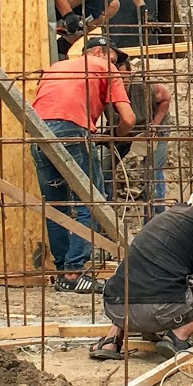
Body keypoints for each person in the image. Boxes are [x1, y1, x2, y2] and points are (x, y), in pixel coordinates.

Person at [31, 36, 135, 294]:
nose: (115, 65)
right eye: (112, 57)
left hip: (38, 132)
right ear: (98, 51)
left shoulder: (55, 67)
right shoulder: (104, 67)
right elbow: (129, 119)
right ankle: (75, 271)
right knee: (93, 202)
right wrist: (116, 136)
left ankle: (62, 273)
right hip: (72, 132)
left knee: (56, 207)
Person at [90, 196, 193, 360]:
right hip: (160, 310)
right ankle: (179, 335)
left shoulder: (172, 216)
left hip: (116, 308)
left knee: (143, 274)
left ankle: (111, 339)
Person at [102, 61, 172, 218]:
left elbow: (165, 97)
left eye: (122, 76)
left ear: (129, 74)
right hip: (120, 132)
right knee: (103, 168)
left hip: (150, 130)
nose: (118, 80)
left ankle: (155, 221)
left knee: (152, 173)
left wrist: (155, 125)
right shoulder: (103, 88)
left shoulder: (142, 86)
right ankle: (106, 217)